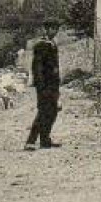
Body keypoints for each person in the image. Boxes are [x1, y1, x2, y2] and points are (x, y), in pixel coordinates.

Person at [24, 20, 63, 150]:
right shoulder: (41, 45)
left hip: (53, 84)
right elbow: (37, 68)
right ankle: (30, 141)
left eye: (56, 28)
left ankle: (45, 140)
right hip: (45, 85)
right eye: (53, 28)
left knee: (52, 112)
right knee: (43, 112)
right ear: (46, 29)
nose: (55, 31)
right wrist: (41, 86)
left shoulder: (52, 44)